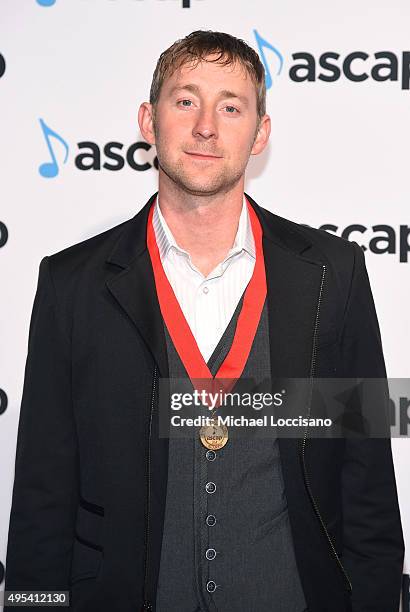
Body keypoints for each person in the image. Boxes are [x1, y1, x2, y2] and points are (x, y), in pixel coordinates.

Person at [4, 30, 404, 612]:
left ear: (260, 133)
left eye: (231, 106)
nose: (206, 127)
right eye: (186, 100)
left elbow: (367, 487)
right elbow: (42, 497)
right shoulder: (72, 285)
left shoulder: (331, 274)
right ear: (148, 120)